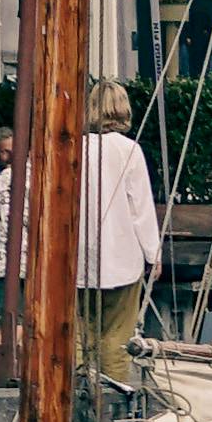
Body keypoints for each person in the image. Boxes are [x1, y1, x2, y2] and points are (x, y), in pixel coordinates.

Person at [72, 82, 166, 388]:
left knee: (76, 336)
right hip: (121, 258)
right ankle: (113, 399)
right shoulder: (129, 151)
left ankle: (74, 398)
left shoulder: (72, 148)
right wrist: (154, 254)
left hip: (76, 259)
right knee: (117, 336)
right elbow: (140, 207)